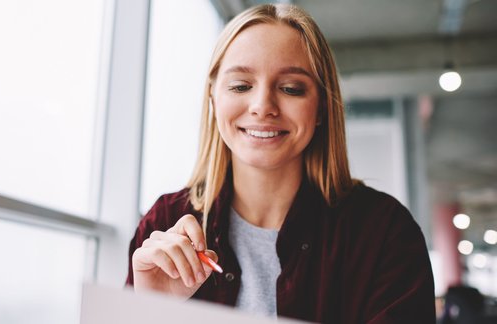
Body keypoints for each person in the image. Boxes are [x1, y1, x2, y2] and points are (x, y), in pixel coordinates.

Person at [126, 3, 436, 323]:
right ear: (213, 97)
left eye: (291, 88)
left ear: (321, 109)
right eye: (241, 86)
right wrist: (152, 311)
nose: (262, 106)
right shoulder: (165, 223)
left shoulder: (384, 233)